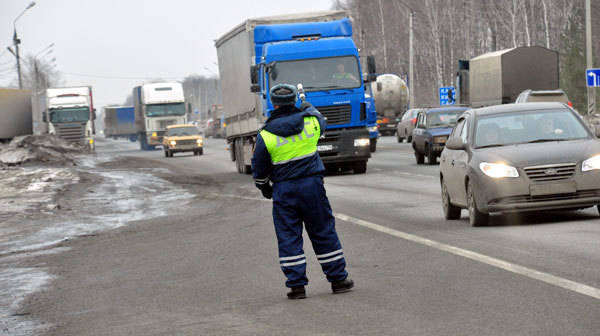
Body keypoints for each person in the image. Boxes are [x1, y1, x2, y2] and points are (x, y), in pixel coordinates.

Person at [251, 84, 354, 300]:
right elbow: (322, 122)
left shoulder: (266, 135)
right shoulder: (310, 123)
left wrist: (265, 188)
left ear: (274, 103)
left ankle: (297, 286)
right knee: (323, 231)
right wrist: (309, 107)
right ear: (294, 101)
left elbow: (259, 170)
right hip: (312, 186)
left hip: (284, 190)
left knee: (289, 236)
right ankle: (338, 280)